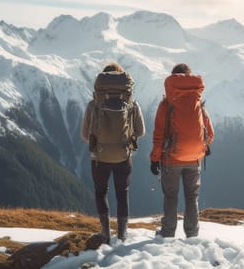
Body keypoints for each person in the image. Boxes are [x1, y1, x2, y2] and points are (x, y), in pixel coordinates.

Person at [81, 62, 145, 243]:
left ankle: (105, 233)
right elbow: (140, 131)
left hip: (99, 157)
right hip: (124, 155)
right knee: (122, 193)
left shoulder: (93, 104)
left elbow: (85, 135)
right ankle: (123, 234)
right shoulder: (132, 104)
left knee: (101, 192)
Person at [150, 63, 214, 238]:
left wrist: (155, 158)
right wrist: (202, 148)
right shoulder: (198, 103)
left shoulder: (167, 104)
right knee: (192, 198)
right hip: (194, 160)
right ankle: (192, 234)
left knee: (171, 197)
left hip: (171, 158)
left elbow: (159, 135)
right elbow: (210, 133)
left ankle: (168, 233)